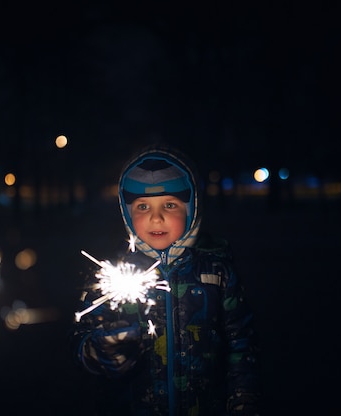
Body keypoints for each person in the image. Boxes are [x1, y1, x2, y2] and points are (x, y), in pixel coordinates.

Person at [68, 144, 261, 415]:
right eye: (143, 206)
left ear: (192, 208)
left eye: (169, 205)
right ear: (126, 212)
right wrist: (101, 352)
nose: (155, 217)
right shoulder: (113, 275)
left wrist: (243, 400)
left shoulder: (217, 272)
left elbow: (241, 344)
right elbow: (81, 337)